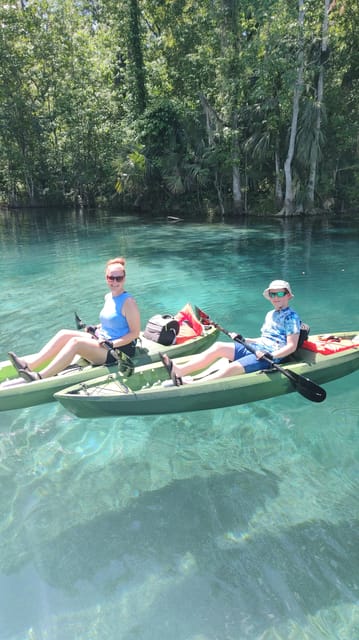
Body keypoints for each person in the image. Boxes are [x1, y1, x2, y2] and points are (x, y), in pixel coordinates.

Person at [8, 257, 141, 382]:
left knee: (75, 342)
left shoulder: (129, 302)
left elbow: (134, 333)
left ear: (124, 279)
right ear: (106, 278)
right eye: (111, 278)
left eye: (119, 278)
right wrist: (97, 327)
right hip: (103, 340)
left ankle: (39, 377)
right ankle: (29, 365)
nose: (115, 282)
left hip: (119, 350)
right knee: (64, 333)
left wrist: (112, 344)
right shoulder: (108, 297)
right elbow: (113, 321)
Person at [161, 279, 302, 386]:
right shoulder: (270, 314)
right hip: (257, 348)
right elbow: (265, 339)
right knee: (219, 347)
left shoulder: (291, 317)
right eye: (272, 294)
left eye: (280, 293)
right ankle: (180, 371)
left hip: (269, 357)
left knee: (233, 367)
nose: (276, 297)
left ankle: (192, 384)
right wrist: (245, 340)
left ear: (288, 295)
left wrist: (271, 355)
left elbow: (291, 346)